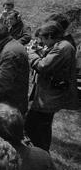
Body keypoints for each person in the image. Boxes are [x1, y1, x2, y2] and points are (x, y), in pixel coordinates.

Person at [25, 22, 79, 151]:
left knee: (39, 127)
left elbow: (43, 66)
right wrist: (40, 51)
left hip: (50, 97)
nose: (42, 43)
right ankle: (37, 153)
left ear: (50, 36)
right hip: (46, 94)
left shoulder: (63, 48)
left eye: (43, 39)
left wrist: (31, 53)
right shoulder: (60, 45)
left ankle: (41, 155)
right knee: (34, 124)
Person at [0, 24, 29, 115]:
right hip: (14, 100)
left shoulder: (9, 53)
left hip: (10, 105)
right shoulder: (12, 45)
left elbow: (3, 82)